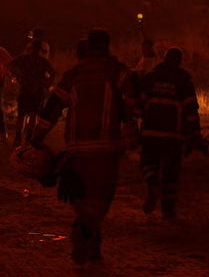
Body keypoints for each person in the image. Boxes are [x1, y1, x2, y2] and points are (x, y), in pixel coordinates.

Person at [32, 29, 137, 266]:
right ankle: (84, 234)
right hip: (106, 150)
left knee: (82, 197)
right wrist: (131, 126)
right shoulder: (116, 72)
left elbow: (52, 108)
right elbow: (135, 98)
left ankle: (92, 246)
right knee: (100, 198)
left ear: (89, 47)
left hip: (77, 150)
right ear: (107, 46)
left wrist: (36, 138)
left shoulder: (74, 75)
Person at [138, 47, 204, 219]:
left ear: (164, 59)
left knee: (147, 163)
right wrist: (195, 133)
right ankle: (168, 210)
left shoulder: (151, 78)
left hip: (150, 132)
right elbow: (191, 110)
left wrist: (134, 123)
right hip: (173, 135)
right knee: (171, 173)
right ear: (179, 61)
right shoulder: (184, 81)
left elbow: (138, 102)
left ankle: (152, 183)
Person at [8, 40, 55, 147]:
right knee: (33, 114)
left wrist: (17, 76)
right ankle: (28, 137)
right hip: (38, 90)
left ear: (31, 48)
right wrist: (47, 84)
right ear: (40, 49)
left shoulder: (24, 58)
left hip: (25, 89)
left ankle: (18, 137)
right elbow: (53, 73)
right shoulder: (43, 61)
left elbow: (10, 65)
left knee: (21, 115)